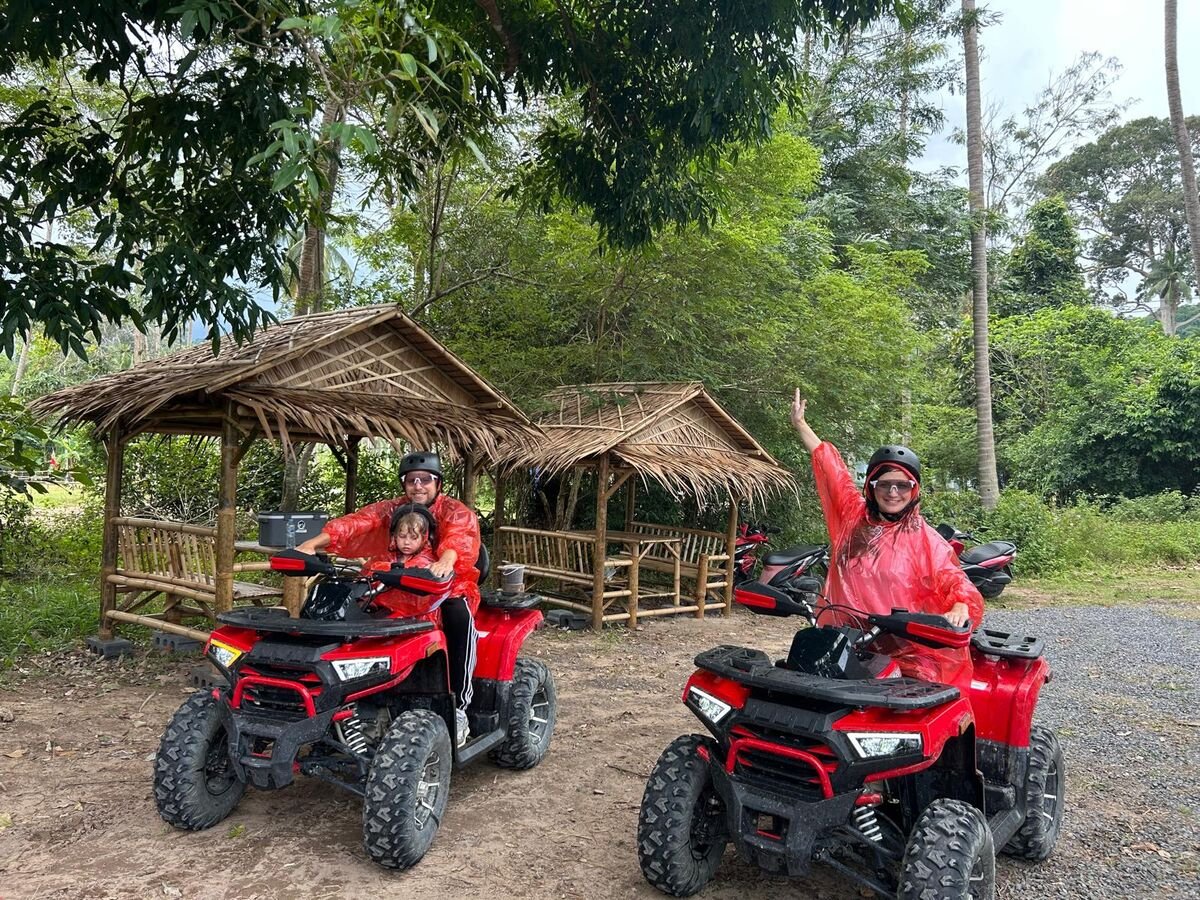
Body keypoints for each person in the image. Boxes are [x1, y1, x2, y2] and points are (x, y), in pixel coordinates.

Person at [790, 390, 984, 687]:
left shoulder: (926, 541)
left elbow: (955, 580)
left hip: (903, 650)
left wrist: (960, 605)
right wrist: (801, 425)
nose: (893, 492)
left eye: (902, 485)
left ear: (913, 489)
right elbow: (833, 470)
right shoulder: (851, 517)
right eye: (885, 484)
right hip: (843, 640)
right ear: (871, 487)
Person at [295, 451, 482, 744]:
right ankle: (343, 702)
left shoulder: (455, 511)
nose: (418, 486)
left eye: (425, 480)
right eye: (411, 480)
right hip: (392, 585)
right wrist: (312, 544)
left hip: (445, 585)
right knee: (349, 614)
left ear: (438, 483)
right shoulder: (393, 509)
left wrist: (445, 561)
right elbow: (357, 523)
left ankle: (459, 706)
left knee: (458, 616)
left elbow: (459, 539)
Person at [357, 503, 450, 618]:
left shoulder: (427, 559)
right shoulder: (384, 556)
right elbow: (365, 575)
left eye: (413, 537)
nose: (407, 542)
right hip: (383, 611)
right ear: (394, 536)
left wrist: (383, 572)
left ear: (425, 538)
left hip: (416, 616)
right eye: (402, 536)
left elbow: (415, 573)